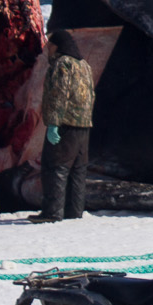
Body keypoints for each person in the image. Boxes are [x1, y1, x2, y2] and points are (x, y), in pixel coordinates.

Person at [36, 30, 97, 222]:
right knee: (78, 170)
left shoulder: (62, 64)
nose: (47, 49)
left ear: (57, 46)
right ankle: (74, 211)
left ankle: (52, 212)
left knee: (56, 167)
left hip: (65, 125)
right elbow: (91, 94)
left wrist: (54, 123)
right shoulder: (84, 65)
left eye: (50, 45)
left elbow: (58, 94)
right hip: (83, 126)